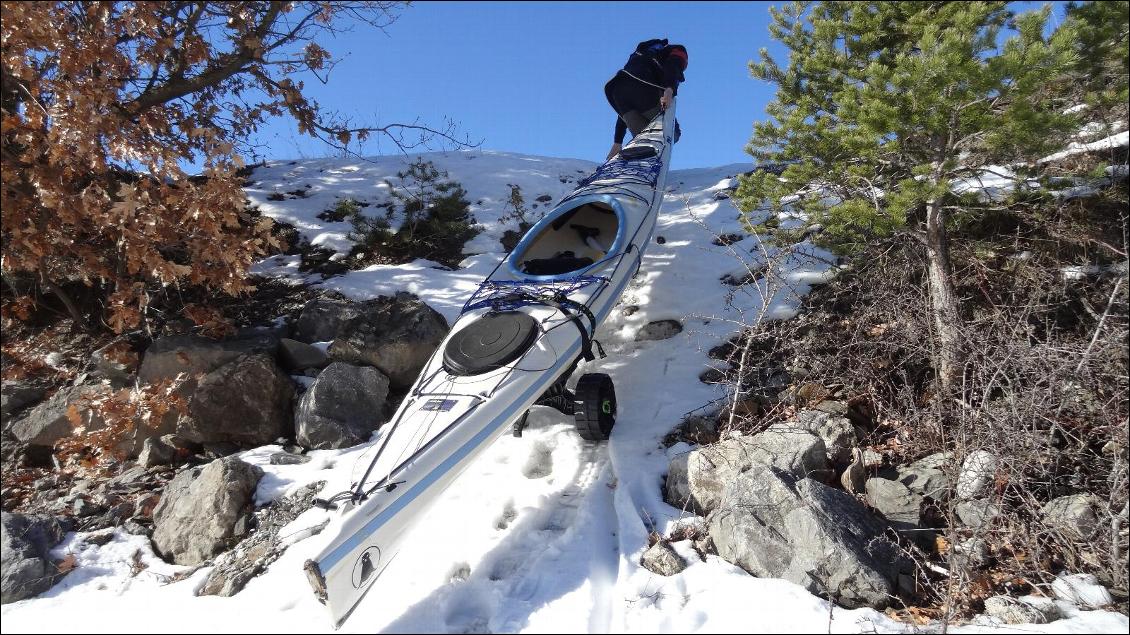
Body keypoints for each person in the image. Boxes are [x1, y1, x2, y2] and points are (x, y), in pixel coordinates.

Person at [604, 38, 687, 160]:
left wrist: (617, 142)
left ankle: (636, 160)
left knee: (643, 138)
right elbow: (673, 66)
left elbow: (629, 97)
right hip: (644, 90)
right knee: (673, 132)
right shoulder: (678, 50)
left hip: (617, 91)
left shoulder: (639, 55)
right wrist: (669, 89)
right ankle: (649, 161)